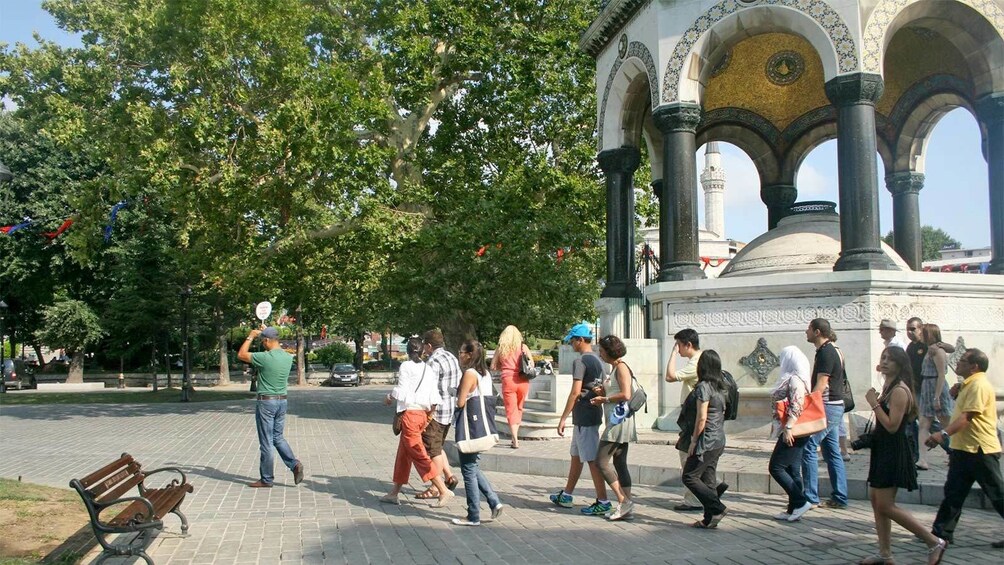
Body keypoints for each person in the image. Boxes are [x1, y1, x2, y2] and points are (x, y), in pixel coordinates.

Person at [860, 347, 947, 565]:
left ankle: (933, 541)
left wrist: (874, 403)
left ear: (900, 364)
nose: (885, 362)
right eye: (883, 358)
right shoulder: (888, 387)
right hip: (882, 450)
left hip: (894, 451)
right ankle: (884, 553)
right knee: (875, 500)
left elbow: (892, 426)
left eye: (891, 359)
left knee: (886, 505)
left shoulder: (899, 390)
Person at [928, 348, 1003, 550]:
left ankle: (941, 532)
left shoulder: (978, 385)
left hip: (980, 449)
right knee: (954, 492)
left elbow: (966, 418)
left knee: (997, 494)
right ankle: (940, 533)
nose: (957, 363)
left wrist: (942, 434)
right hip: (964, 448)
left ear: (974, 366)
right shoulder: (969, 384)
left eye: (962, 360)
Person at [380, 338, 452, 507]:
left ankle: (443, 489)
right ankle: (394, 492)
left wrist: (390, 397)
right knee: (404, 455)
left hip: (410, 415)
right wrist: (428, 417)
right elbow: (434, 397)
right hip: (422, 415)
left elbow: (402, 391)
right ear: (422, 351)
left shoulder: (406, 366)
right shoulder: (428, 369)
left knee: (418, 455)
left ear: (408, 351)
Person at [550, 323, 611, 515]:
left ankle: (603, 500)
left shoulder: (581, 361)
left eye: (573, 340)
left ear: (581, 340)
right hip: (590, 413)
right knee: (576, 456)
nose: (572, 344)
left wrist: (562, 418)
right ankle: (567, 494)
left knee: (591, 459)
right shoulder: (599, 360)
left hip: (584, 414)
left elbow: (575, 391)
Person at [238, 326, 304, 488]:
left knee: (266, 441)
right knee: (277, 437)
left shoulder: (265, 357)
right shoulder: (287, 358)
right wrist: (266, 329)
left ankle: (266, 479)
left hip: (266, 402)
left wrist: (250, 336)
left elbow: (241, 354)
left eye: (263, 341)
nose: (262, 344)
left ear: (267, 340)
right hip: (282, 401)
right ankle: (294, 464)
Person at [451, 340, 505, 526]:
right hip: (482, 427)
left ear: (469, 354)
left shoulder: (470, 373)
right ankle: (494, 501)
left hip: (470, 429)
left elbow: (461, 402)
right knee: (472, 467)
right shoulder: (485, 374)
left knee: (467, 470)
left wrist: (456, 395)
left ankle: (473, 515)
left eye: (461, 352)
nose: (459, 355)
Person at [665, 328, 715, 511]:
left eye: (678, 345)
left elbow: (669, 376)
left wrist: (671, 355)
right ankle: (709, 495)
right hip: (699, 417)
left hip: (695, 418)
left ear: (688, 344)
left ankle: (694, 499)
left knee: (688, 458)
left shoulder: (696, 363)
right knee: (702, 462)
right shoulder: (702, 359)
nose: (677, 349)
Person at [801, 318, 849, 510]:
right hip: (835, 405)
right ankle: (840, 496)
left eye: (809, 329)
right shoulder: (834, 349)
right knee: (831, 451)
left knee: (809, 447)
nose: (806, 332)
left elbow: (822, 384)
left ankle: (811, 497)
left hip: (828, 406)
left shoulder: (826, 353)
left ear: (818, 332)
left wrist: (808, 406)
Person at [679, 349, 729, 528]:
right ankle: (709, 519)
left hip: (706, 440)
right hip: (719, 439)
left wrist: (693, 441)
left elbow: (702, 417)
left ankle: (716, 508)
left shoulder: (703, 387)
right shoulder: (721, 387)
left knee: (689, 477)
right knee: (708, 479)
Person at [589, 335, 637, 521]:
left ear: (610, 351)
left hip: (618, 422)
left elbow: (626, 394)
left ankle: (624, 500)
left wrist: (605, 399)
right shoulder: (616, 368)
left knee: (601, 461)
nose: (600, 354)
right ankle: (626, 505)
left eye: (601, 351)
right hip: (617, 420)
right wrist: (604, 391)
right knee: (619, 462)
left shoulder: (622, 367)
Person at [768, 346, 813, 522]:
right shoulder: (794, 378)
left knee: (776, 467)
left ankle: (801, 502)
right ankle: (793, 509)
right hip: (794, 430)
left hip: (793, 430)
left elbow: (797, 404)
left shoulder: (795, 380)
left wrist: (788, 428)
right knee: (793, 470)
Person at [415, 329, 461, 499]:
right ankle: (449, 476)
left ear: (428, 345)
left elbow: (430, 390)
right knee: (438, 446)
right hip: (450, 411)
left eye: (425, 346)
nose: (424, 350)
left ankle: (437, 487)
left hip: (437, 413)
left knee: (431, 451)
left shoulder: (433, 362)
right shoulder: (452, 357)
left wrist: (427, 413)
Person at [916, 323, 953, 471]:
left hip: (936, 387)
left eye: (924, 333)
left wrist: (937, 397)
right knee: (924, 424)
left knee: (947, 425)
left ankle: (957, 454)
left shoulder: (938, 351)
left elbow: (941, 375)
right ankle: (922, 459)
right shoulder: (930, 349)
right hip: (927, 385)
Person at [491, 325, 533, 449]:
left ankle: (514, 437)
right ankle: (516, 433)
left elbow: (493, 366)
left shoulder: (501, 348)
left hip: (508, 380)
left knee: (510, 409)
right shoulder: (523, 347)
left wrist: (503, 366)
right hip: (523, 380)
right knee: (519, 407)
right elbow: (531, 363)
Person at [904, 317, 927, 465]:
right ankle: (915, 455)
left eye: (913, 329)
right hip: (912, 388)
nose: (910, 332)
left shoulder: (925, 347)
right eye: (908, 329)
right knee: (913, 422)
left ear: (920, 329)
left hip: (924, 389)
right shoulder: (910, 347)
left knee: (929, 422)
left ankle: (949, 446)